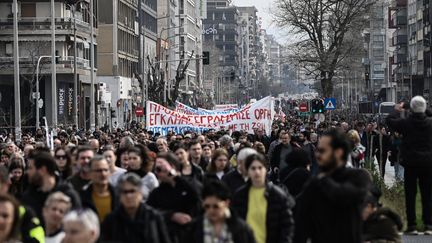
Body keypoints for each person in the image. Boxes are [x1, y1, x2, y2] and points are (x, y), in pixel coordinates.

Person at [294, 129, 372, 243]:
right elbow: (301, 224)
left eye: (322, 151)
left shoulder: (358, 177)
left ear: (338, 152)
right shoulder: (314, 183)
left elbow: (345, 195)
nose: (317, 154)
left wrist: (323, 179)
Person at [386, 96, 432, 234]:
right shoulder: (430, 123)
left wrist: (396, 110)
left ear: (411, 108)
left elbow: (389, 121)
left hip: (411, 162)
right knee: (428, 194)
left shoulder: (406, 123)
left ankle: (411, 225)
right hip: (428, 162)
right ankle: (428, 224)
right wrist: (425, 110)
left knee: (410, 194)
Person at [232, 154, 295, 243]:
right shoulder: (240, 195)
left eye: (260, 168)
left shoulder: (278, 195)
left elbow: (287, 226)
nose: (257, 172)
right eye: (253, 168)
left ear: (265, 170)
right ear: (247, 171)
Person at [101, 173, 171, 243]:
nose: (129, 196)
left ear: (140, 193)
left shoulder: (153, 217)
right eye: (125, 192)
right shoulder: (111, 220)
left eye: (132, 191)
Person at [147, 152, 200, 243]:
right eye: (156, 169)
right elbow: (149, 212)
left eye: (160, 167)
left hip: (191, 233)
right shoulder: (157, 193)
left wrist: (173, 174)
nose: (158, 172)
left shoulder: (189, 184)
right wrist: (171, 215)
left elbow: (197, 198)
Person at [183, 180, 256, 243]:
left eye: (216, 207)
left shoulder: (241, 229)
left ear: (226, 203)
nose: (211, 210)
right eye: (207, 206)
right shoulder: (194, 228)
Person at [21, 150, 81, 222]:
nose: (27, 172)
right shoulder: (27, 198)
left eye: (30, 168)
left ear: (43, 170)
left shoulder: (69, 195)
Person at [80, 156, 117, 223]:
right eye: (98, 171)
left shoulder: (119, 195)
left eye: (105, 170)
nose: (103, 174)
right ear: (90, 173)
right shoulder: (82, 197)